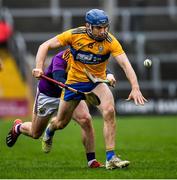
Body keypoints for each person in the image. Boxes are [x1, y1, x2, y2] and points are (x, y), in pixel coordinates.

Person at [32, 9, 147, 170]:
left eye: (105, 27)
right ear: (88, 26)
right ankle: (51, 128)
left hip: (96, 82)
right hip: (73, 83)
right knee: (61, 122)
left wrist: (135, 87)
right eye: (99, 28)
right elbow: (45, 46)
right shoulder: (74, 35)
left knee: (109, 110)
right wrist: (38, 67)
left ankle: (110, 157)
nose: (103, 31)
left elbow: (125, 64)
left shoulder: (110, 41)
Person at [6, 49, 115, 168]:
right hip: (48, 95)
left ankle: (91, 161)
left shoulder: (86, 57)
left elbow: (98, 69)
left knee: (86, 119)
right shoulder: (60, 58)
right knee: (35, 133)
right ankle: (18, 128)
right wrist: (73, 87)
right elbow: (59, 78)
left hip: (70, 94)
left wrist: (108, 74)